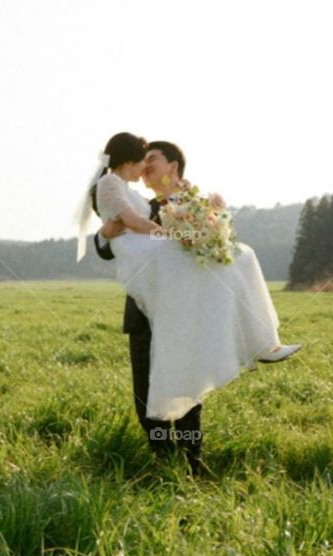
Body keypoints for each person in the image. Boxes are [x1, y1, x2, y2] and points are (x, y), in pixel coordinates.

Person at [79, 133, 301, 474]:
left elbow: (220, 255)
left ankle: (193, 464)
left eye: (153, 162)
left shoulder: (198, 206)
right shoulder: (134, 200)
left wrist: (213, 220)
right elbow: (108, 241)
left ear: (173, 166)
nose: (146, 168)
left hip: (188, 314)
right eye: (143, 162)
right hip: (144, 315)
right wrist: (104, 235)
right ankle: (163, 466)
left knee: (186, 386)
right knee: (146, 395)